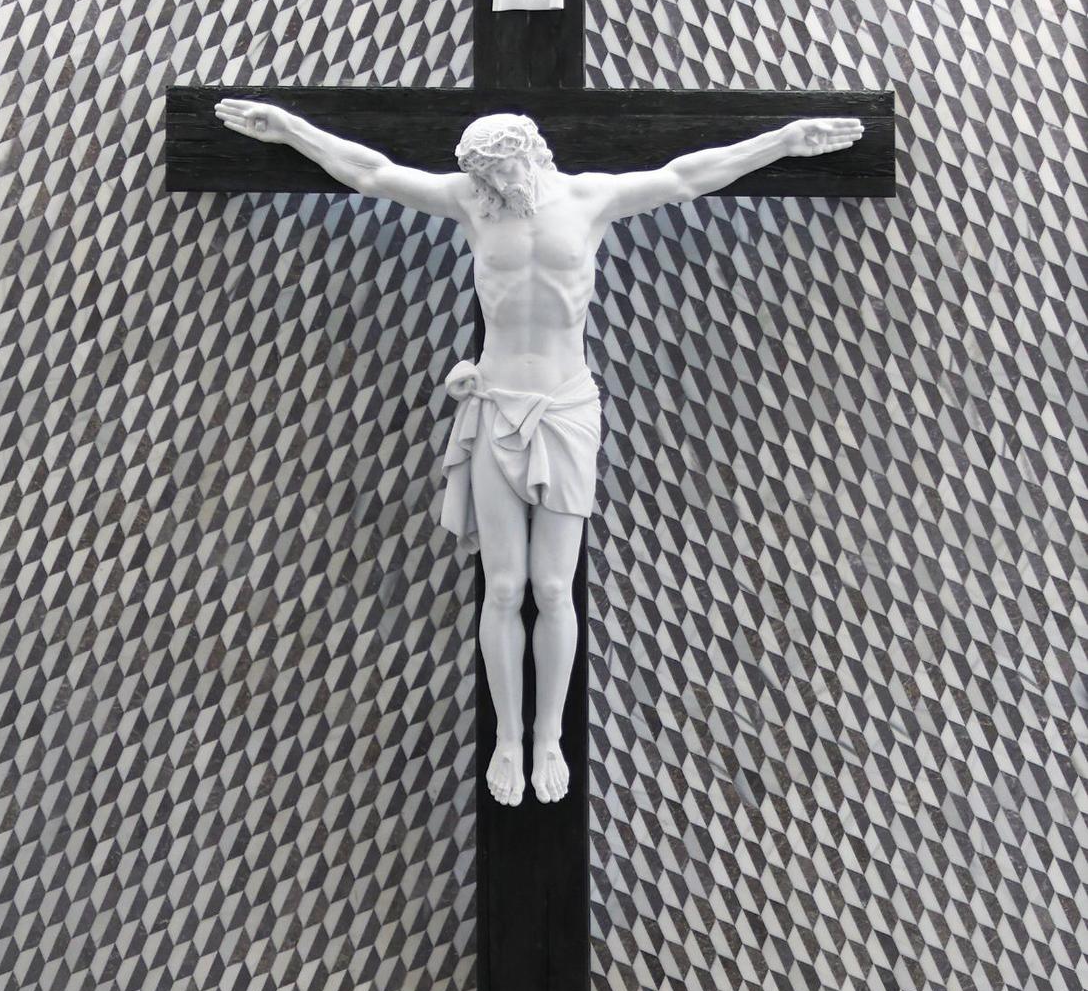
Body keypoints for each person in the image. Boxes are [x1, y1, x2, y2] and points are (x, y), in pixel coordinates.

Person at [215, 94, 863, 807]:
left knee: (553, 588)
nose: (491, 185)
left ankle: (548, 734)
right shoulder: (473, 201)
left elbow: (688, 176)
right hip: (495, 407)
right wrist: (293, 130)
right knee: (502, 586)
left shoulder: (589, 199)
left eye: (497, 170)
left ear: (529, 153)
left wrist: (784, 140)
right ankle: (509, 739)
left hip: (565, 409)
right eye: (481, 175)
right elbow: (372, 172)